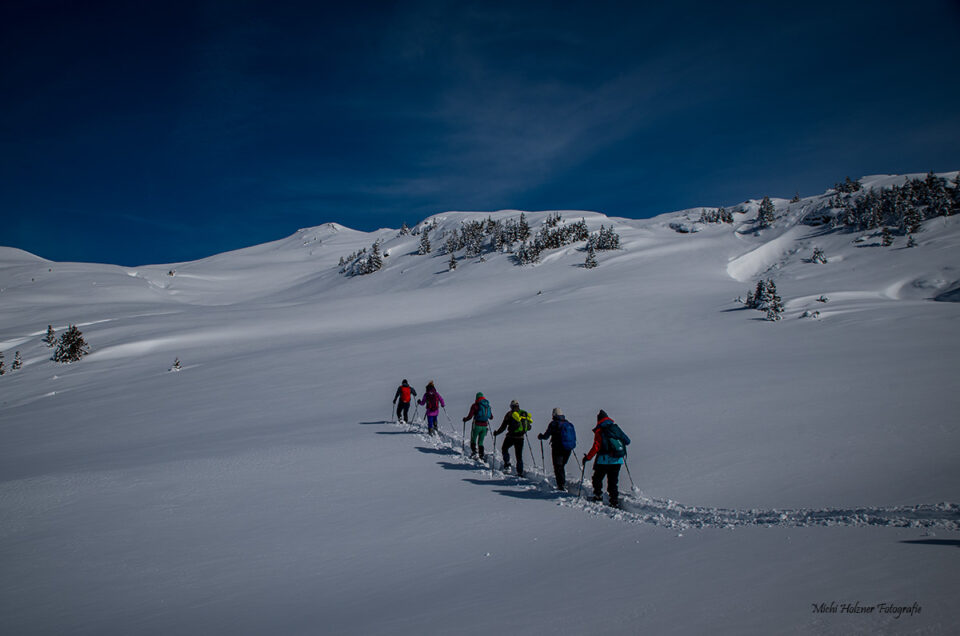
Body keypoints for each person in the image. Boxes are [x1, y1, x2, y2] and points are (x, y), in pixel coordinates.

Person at [583, 410, 631, 508]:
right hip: (617, 460)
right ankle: (614, 501)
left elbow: (596, 447)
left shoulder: (600, 431)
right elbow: (627, 441)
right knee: (613, 482)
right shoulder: (616, 428)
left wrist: (587, 457)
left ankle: (598, 496)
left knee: (597, 479)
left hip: (603, 460)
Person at [538, 407, 576, 490]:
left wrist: (541, 436)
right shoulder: (568, 423)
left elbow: (546, 436)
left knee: (558, 466)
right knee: (562, 466)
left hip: (557, 448)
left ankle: (561, 485)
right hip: (568, 448)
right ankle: (562, 483)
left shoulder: (553, 424)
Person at [494, 400, 532, 477]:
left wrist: (497, 433)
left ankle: (507, 465)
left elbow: (503, 427)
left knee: (504, 448)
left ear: (511, 406)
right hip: (521, 438)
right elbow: (529, 427)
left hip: (510, 437)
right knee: (519, 455)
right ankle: (520, 472)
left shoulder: (509, 414)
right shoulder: (524, 413)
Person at [462, 392, 493, 459]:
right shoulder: (487, 406)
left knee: (473, 439)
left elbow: (470, 416)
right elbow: (491, 417)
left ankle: (474, 453)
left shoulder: (475, 405)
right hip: (485, 426)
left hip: (477, 425)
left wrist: (465, 419)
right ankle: (481, 455)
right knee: (481, 442)